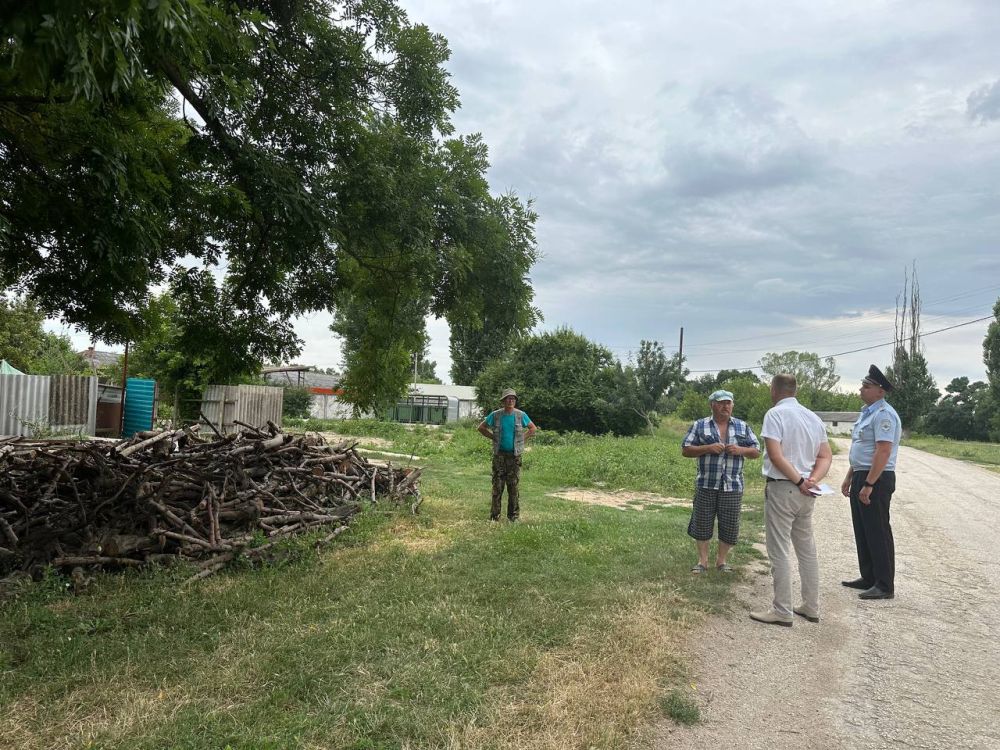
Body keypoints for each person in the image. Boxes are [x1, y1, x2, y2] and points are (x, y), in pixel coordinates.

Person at [750, 374, 833, 627]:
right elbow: (825, 456)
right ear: (795, 390)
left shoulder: (775, 415)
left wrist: (798, 481)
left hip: (784, 487)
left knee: (779, 549)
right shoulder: (813, 418)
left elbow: (775, 455)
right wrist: (811, 480)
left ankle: (782, 610)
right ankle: (811, 605)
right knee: (806, 549)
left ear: (774, 390)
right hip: (808, 492)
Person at [681, 389, 761, 573]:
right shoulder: (699, 425)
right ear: (712, 405)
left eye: (729, 403)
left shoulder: (742, 426)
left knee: (730, 524)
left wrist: (740, 450)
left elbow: (756, 450)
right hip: (706, 483)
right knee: (702, 523)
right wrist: (708, 447)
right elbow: (685, 449)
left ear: (732, 405)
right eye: (721, 402)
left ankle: (722, 562)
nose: (726, 406)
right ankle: (702, 562)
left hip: (732, 485)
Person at [840, 364, 902, 600]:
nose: (861, 389)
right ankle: (869, 576)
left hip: (876, 478)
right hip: (862, 474)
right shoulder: (867, 412)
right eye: (862, 385)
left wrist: (869, 484)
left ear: (880, 391)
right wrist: (851, 476)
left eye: (866, 386)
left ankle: (884, 585)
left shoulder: (884, 414)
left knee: (877, 530)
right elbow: (862, 451)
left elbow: (883, 451)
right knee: (863, 529)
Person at [478, 388, 537, 521]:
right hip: (499, 456)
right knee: (497, 487)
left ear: (515, 401)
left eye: (513, 399)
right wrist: (493, 437)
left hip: (514, 457)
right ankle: (495, 517)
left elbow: (533, 428)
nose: (511, 401)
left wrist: (522, 438)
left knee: (513, 488)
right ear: (503, 401)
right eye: (508, 399)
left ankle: (513, 517)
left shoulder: (521, 415)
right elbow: (481, 428)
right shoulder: (496, 415)